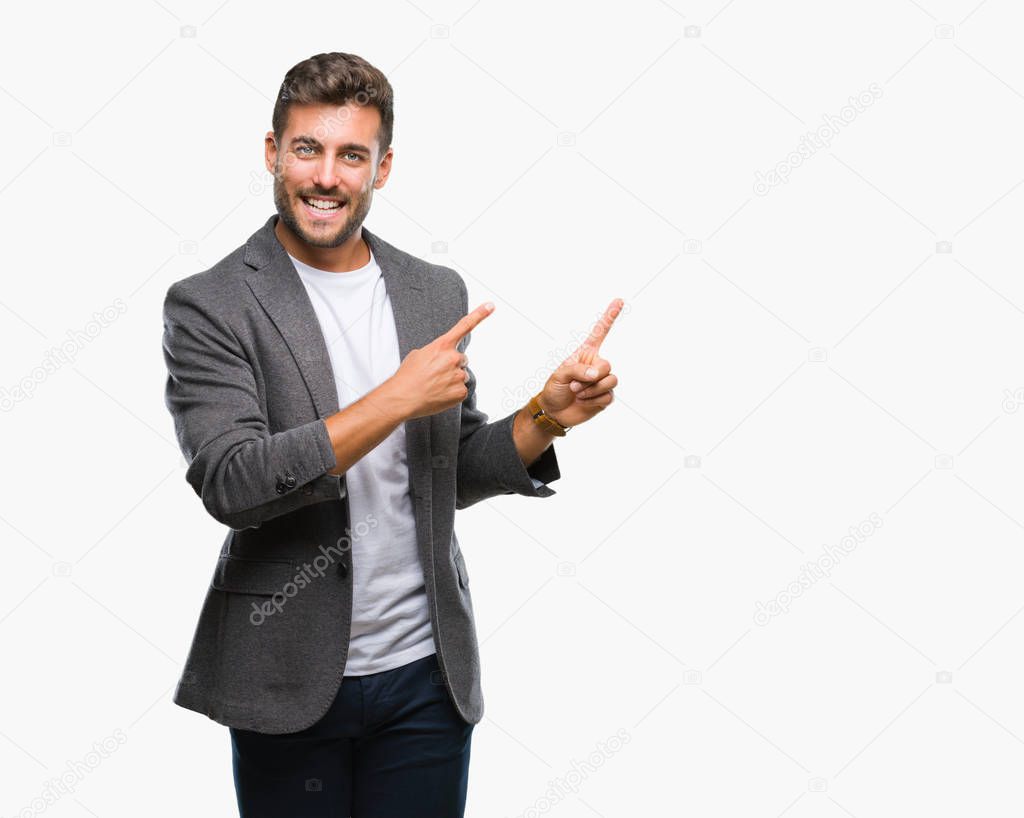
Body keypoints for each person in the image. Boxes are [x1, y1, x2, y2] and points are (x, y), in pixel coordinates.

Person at [161, 51, 622, 817]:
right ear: (273, 153)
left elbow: (448, 469)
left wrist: (544, 416)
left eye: (352, 155)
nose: (326, 177)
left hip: (424, 677)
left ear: (383, 168)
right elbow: (233, 483)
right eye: (307, 148)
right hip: (287, 675)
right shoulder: (211, 304)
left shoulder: (431, 290)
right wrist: (392, 399)